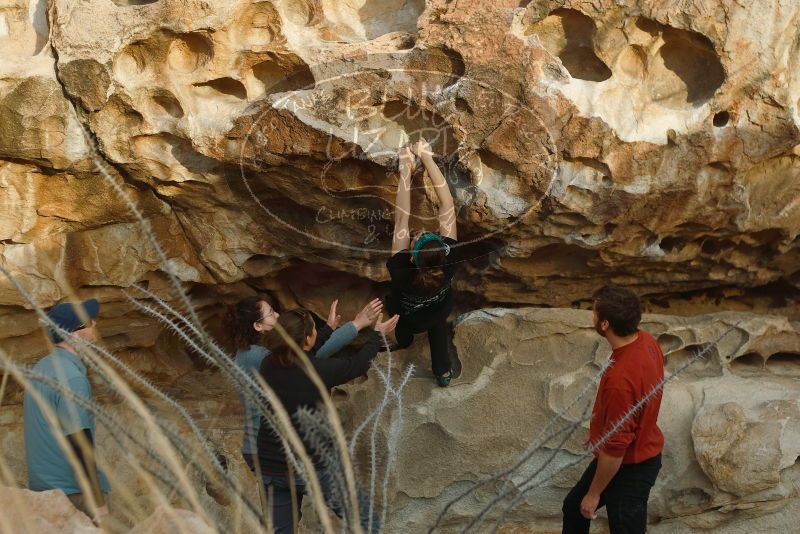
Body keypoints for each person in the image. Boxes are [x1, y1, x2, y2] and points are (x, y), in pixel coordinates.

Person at [256, 308, 399, 534]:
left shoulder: (267, 364)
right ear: (306, 339)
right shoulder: (318, 370)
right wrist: (377, 334)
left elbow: (305, 351)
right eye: (314, 328)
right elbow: (357, 365)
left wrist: (327, 330)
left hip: (270, 465)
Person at [233, 296, 383, 471]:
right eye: (271, 314)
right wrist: (356, 325)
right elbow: (311, 362)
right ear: (258, 326)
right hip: (266, 448)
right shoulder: (261, 357)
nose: (278, 315)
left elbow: (304, 355)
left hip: (266, 446)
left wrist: (327, 329)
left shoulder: (251, 352)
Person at [561, 286, 665, 534]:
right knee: (574, 507)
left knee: (604, 516)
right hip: (637, 451)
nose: (591, 316)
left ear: (605, 324)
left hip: (630, 465)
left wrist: (594, 494)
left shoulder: (621, 380)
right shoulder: (647, 341)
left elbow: (616, 450)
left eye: (594, 312)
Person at [23, 299, 111, 526]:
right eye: (90, 322)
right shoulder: (72, 378)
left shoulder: (40, 367)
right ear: (74, 333)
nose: (95, 324)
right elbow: (79, 440)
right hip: (72, 492)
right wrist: (97, 501)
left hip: (42, 488)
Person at [386, 139, 460, 386]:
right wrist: (427, 158)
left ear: (412, 255)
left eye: (417, 236)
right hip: (439, 311)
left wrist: (405, 170)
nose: (418, 232)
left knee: (403, 328)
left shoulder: (400, 270)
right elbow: (447, 204)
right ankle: (442, 372)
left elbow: (401, 221)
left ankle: (403, 342)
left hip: (407, 316)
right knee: (437, 330)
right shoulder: (450, 261)